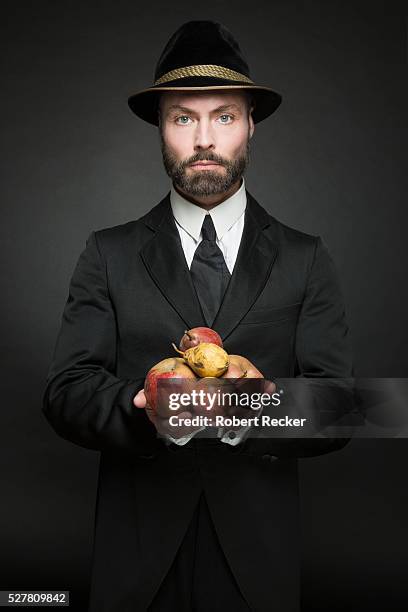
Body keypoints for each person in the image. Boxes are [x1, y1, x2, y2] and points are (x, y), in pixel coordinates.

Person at [43, 20, 353, 612]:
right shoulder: (107, 253)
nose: (204, 138)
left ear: (250, 125)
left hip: (257, 566)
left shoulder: (304, 256)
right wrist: (140, 406)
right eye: (184, 117)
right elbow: (66, 392)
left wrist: (257, 408)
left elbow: (341, 405)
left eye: (224, 116)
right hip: (136, 561)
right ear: (161, 128)